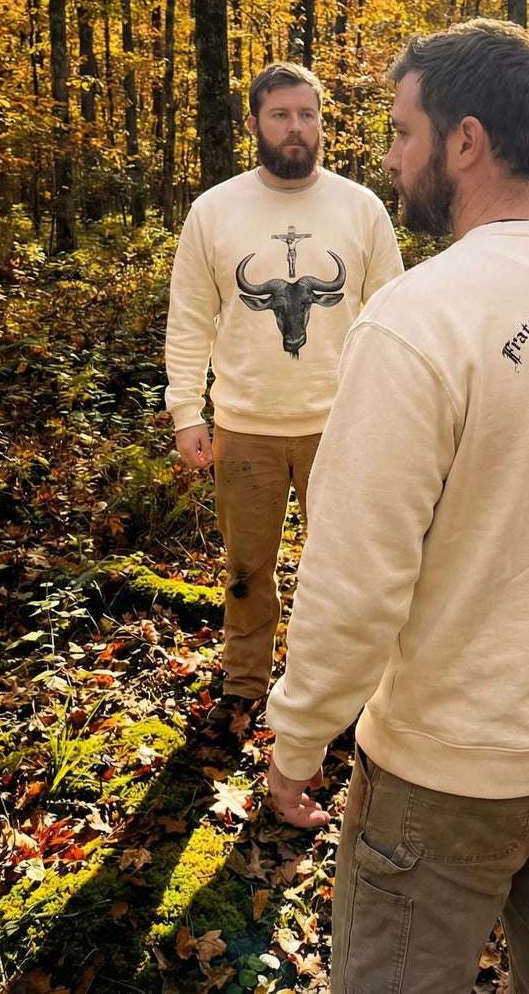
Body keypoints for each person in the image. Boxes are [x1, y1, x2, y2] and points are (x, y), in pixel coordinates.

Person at [266, 19, 529, 993]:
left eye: (401, 133)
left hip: (446, 771)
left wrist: (298, 739)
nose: (387, 158)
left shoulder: (418, 321)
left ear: (464, 141)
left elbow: (355, 577)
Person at [165, 61, 404, 726]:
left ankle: (342, 691)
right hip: (245, 426)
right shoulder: (214, 210)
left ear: (323, 121)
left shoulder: (362, 208)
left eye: (307, 113)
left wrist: (392, 415)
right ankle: (244, 684)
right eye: (280, 114)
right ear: (253, 124)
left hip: (343, 426)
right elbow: (189, 317)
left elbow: (393, 317)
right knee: (246, 569)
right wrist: (188, 410)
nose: (296, 127)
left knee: (347, 568)